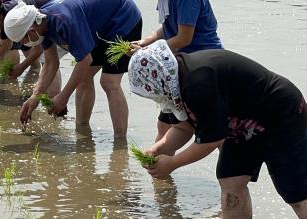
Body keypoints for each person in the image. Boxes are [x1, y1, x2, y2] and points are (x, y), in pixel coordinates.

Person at [128, 41, 307, 218]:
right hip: (243, 123)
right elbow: (184, 128)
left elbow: (212, 141)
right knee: (231, 182)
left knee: (296, 193)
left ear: (156, 79)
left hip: (281, 114)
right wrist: (157, 149)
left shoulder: (196, 82)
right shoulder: (175, 81)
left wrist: (172, 163)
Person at [125, 0, 223, 139]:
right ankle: (158, 170)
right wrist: (145, 42)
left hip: (202, 64)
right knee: (165, 126)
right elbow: (169, 27)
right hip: (179, 63)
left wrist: (147, 54)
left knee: (210, 130)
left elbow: (184, 38)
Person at [4, 0, 142, 137]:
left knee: (109, 82)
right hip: (98, 25)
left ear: (30, 31)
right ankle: (82, 130)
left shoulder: (62, 21)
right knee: (83, 79)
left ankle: (120, 143)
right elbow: (51, 63)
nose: (24, 45)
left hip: (122, 17)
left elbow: (84, 60)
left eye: (22, 41)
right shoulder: (42, 25)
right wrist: (35, 96)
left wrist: (63, 97)